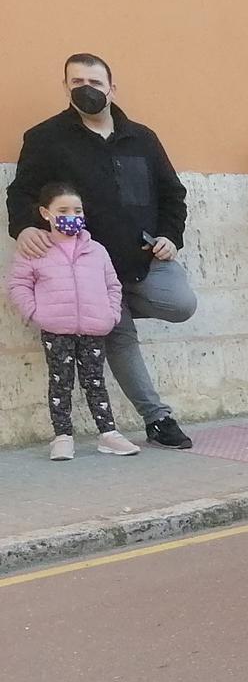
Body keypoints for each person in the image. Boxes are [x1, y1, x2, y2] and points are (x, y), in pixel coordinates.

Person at [6, 53, 195, 448]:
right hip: (85, 269)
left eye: (94, 82)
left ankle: (111, 307)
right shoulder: (45, 137)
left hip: (140, 260)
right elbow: (20, 193)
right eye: (77, 82)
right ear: (66, 87)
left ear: (112, 87)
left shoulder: (142, 138)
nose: (86, 89)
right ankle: (157, 419)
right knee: (120, 336)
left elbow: (172, 194)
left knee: (182, 303)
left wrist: (170, 236)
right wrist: (24, 227)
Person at [8, 182, 138, 458]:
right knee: (60, 383)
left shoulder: (97, 250)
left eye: (77, 210)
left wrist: (111, 314)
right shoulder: (36, 249)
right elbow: (18, 284)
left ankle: (108, 434)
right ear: (46, 213)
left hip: (93, 327)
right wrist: (36, 313)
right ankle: (63, 437)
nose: (72, 216)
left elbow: (113, 285)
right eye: (63, 210)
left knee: (95, 381)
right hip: (57, 329)